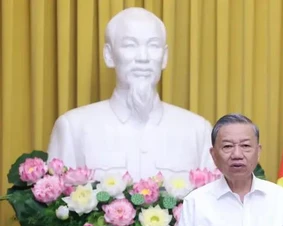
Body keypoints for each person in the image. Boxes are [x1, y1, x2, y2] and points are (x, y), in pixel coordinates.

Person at [47, 7, 215, 182]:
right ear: (109, 55)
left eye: (153, 46)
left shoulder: (197, 130)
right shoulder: (73, 128)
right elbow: (54, 205)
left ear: (164, 57)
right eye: (130, 45)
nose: (143, 57)